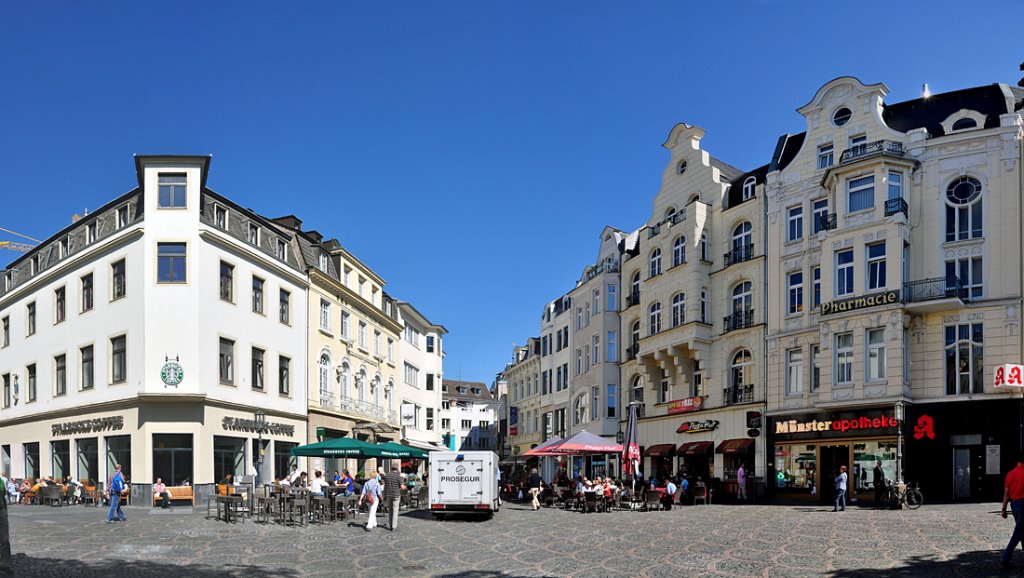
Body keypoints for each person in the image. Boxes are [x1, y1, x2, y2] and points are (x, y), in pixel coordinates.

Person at [1000, 454, 1024, 568]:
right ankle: (1005, 558)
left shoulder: (1010, 474)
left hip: (1014, 505)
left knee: (1021, 530)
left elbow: (1006, 493)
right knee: (1018, 532)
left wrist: (1004, 509)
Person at [384, 463, 402, 531]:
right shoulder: (398, 477)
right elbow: (402, 486)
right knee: (395, 510)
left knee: (390, 510)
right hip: (396, 495)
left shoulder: (386, 476)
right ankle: (393, 527)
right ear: (397, 469)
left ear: (391, 468)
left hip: (388, 494)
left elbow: (385, 486)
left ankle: (391, 524)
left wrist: (384, 495)